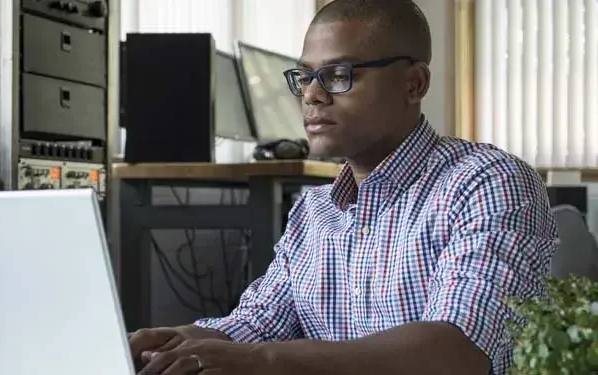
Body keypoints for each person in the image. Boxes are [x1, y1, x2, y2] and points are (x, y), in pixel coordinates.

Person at [129, 0, 558, 374]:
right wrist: (165, 341)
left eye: (338, 74)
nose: (311, 95)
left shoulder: (486, 182)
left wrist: (264, 362)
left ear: (414, 84)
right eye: (305, 77)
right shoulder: (314, 210)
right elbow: (258, 324)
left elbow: (458, 351)